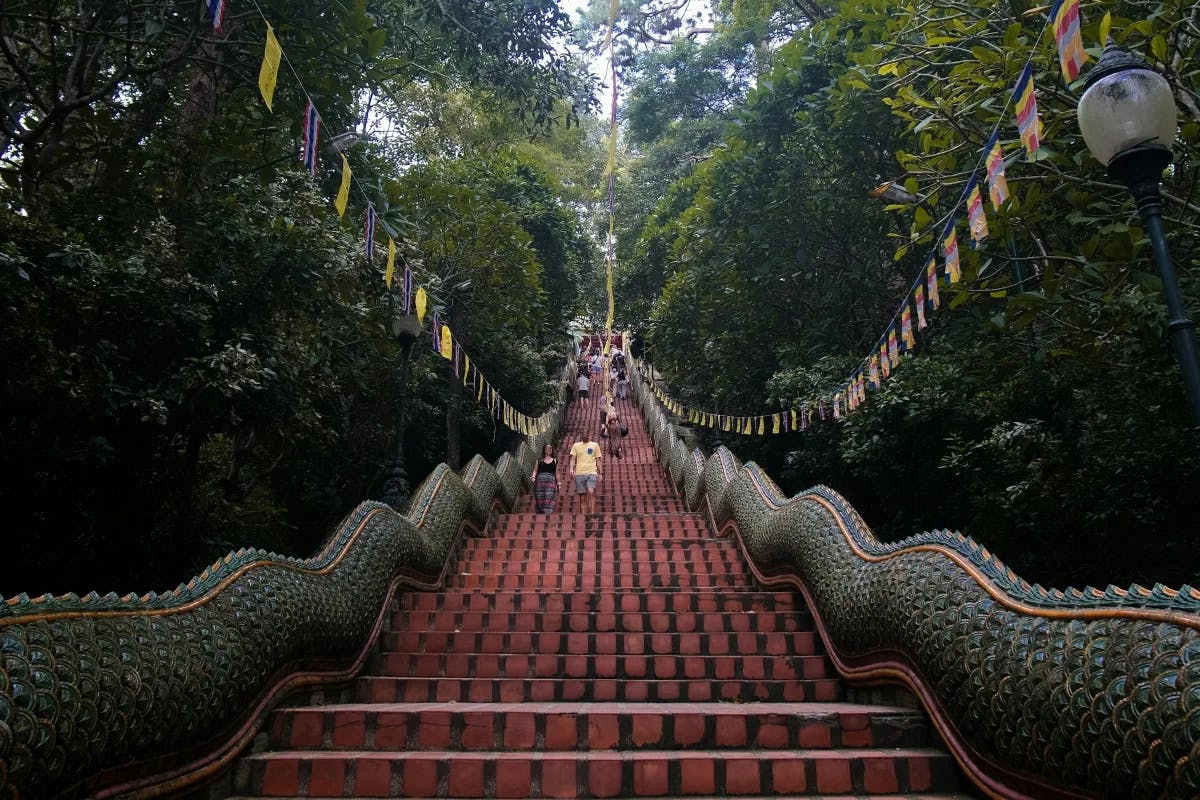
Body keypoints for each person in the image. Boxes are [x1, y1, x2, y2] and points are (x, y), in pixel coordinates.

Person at [569, 433, 602, 515]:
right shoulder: (576, 445)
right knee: (582, 497)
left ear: (589, 435)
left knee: (591, 491)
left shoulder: (595, 445)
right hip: (579, 473)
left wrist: (600, 473)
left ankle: (592, 514)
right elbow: (573, 459)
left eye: (586, 433)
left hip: (591, 472)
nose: (584, 435)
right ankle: (584, 516)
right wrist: (571, 469)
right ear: (581, 436)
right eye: (583, 433)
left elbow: (598, 460)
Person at [532, 443, 559, 514]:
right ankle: (540, 513)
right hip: (540, 481)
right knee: (540, 497)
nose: (548, 450)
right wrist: (533, 476)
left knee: (549, 496)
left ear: (552, 450)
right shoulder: (539, 460)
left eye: (550, 448)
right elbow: (535, 470)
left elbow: (557, 473)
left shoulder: (555, 461)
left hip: (551, 481)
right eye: (547, 448)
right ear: (544, 450)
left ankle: (548, 514)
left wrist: (559, 483)